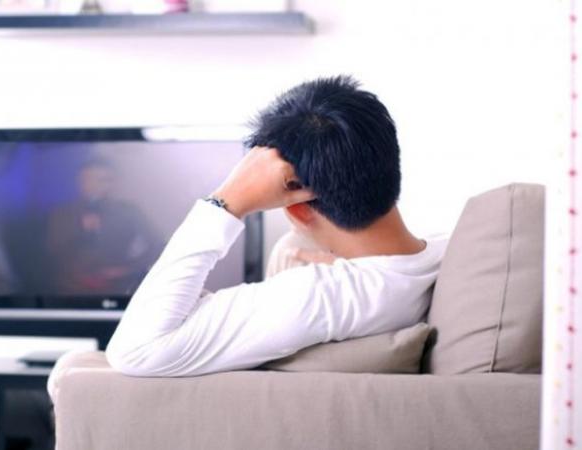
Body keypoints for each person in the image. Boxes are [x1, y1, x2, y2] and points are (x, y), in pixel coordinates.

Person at [105, 75, 448, 377]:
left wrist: (226, 201)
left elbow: (136, 350)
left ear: (297, 210)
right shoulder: (446, 250)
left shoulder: (322, 296)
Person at [46, 160, 159, 297]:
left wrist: (126, 270)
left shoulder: (128, 212)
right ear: (80, 182)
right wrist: (80, 230)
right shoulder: (63, 213)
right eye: (89, 180)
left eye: (103, 180)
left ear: (113, 183)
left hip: (118, 292)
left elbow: (157, 246)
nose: (95, 185)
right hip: (70, 293)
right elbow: (52, 252)